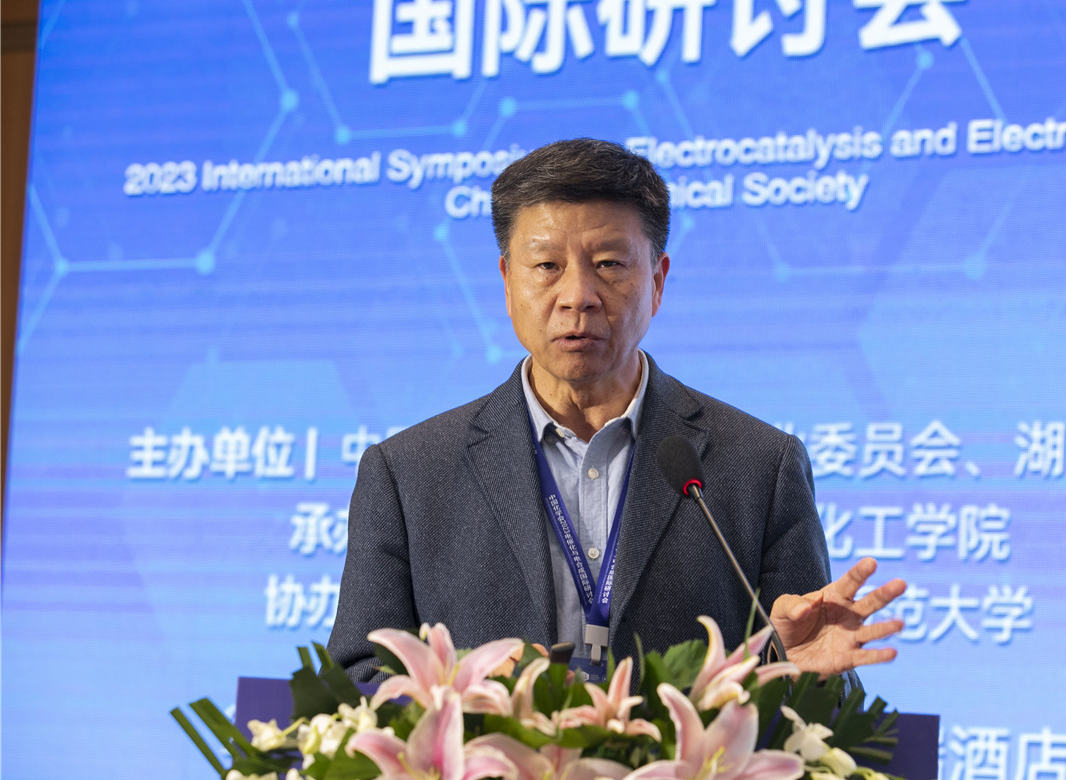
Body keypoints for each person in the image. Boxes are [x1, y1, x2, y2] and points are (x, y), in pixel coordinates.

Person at [328, 138, 905, 684]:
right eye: (546, 266)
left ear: (657, 280)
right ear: (507, 282)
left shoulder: (759, 465)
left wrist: (794, 672)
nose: (577, 296)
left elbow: (812, 682)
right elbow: (357, 679)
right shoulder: (408, 473)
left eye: (608, 264)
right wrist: (472, 686)